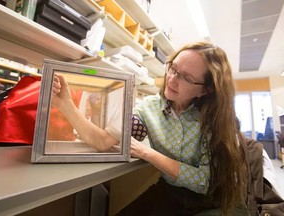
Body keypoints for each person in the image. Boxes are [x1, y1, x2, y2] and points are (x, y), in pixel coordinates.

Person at [52, 41, 248, 215]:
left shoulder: (217, 120)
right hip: (172, 193)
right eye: (173, 68)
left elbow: (204, 182)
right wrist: (67, 106)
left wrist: (147, 153)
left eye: (186, 78)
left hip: (216, 202)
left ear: (206, 89)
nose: (171, 79)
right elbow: (103, 141)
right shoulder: (149, 108)